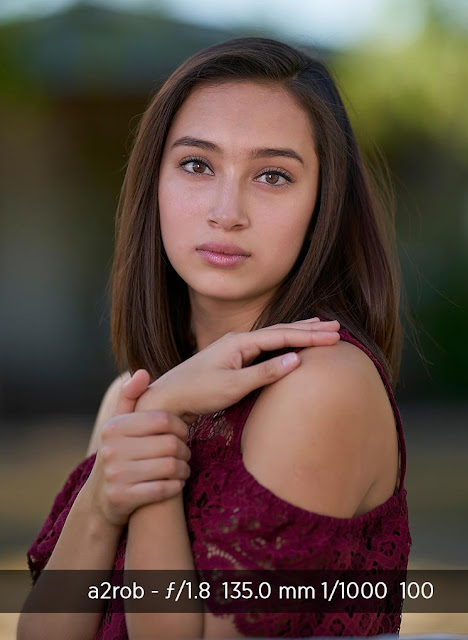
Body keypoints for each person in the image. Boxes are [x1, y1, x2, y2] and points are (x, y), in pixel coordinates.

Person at [18, 36, 412, 639]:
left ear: (323, 206)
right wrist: (100, 500)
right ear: (155, 184)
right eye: (197, 165)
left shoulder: (322, 387)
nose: (227, 211)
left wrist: (158, 423)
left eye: (273, 175)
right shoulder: (135, 396)